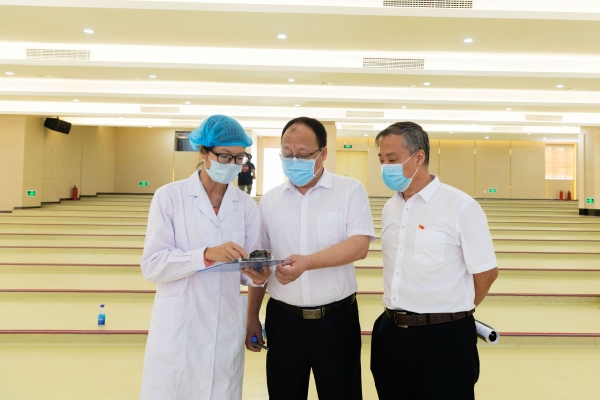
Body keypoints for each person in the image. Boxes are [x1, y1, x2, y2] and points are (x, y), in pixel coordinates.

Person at [140, 115, 271, 400]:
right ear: (203, 151)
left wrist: (258, 276)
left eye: (239, 158)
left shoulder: (246, 206)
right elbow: (152, 266)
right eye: (224, 156)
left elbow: (249, 270)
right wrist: (206, 255)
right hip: (179, 328)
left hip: (225, 326)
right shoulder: (169, 197)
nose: (232, 164)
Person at [246, 117, 375, 400]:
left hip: (336, 321)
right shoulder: (270, 200)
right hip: (283, 322)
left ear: (323, 153)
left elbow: (358, 246)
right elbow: (260, 263)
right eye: (287, 154)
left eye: (303, 155)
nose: (295, 161)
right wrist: (252, 316)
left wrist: (307, 263)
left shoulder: (349, 191)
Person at [370, 122, 498, 400]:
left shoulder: (460, 206)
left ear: (419, 157)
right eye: (381, 160)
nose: (385, 167)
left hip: (444, 338)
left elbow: (486, 273)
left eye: (392, 159)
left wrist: (452, 313)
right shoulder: (391, 207)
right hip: (390, 332)